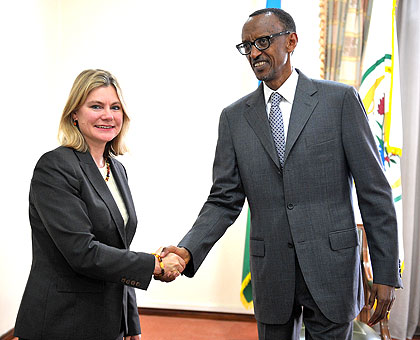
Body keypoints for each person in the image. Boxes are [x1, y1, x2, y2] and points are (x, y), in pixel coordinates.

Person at [160, 8, 402, 340]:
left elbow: (374, 191)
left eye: (263, 41)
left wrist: (386, 272)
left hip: (332, 269)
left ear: (291, 41)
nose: (254, 52)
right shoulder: (233, 118)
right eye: (247, 46)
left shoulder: (339, 101)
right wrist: (187, 250)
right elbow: (223, 200)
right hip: (272, 272)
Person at [14, 69, 185, 340]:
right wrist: (154, 264)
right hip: (62, 322)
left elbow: (119, 249)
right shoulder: (55, 167)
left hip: (108, 321)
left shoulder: (116, 169)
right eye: (96, 106)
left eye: (115, 107)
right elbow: (82, 251)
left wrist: (130, 322)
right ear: (75, 114)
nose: (108, 115)